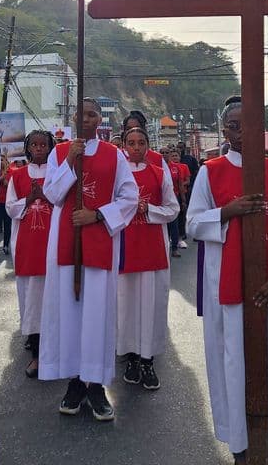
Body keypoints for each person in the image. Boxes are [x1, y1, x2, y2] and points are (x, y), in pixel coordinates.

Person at [187, 96, 268, 465]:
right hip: (228, 286)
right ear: (225, 130)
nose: (238, 132)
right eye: (232, 125)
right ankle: (240, 445)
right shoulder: (211, 171)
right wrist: (227, 211)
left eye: (245, 124)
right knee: (232, 364)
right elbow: (193, 224)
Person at [39, 98, 137, 422]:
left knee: (97, 316)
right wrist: (69, 160)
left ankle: (95, 385)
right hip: (66, 247)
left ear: (100, 120)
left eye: (92, 114)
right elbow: (52, 195)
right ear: (73, 117)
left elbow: (130, 197)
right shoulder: (58, 152)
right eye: (81, 113)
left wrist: (96, 214)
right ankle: (74, 382)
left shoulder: (114, 155)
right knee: (68, 315)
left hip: (99, 244)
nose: (86, 118)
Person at [117, 126, 179, 391]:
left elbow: (173, 209)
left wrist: (148, 208)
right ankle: (130, 357)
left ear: (148, 145)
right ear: (124, 146)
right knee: (126, 304)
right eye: (131, 143)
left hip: (152, 246)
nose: (136, 147)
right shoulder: (118, 175)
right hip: (124, 245)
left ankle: (147, 359)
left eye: (141, 142)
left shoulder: (158, 173)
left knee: (151, 304)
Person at [5, 130, 55, 379]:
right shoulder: (18, 176)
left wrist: (44, 195)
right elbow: (10, 207)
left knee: (53, 299)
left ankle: (55, 352)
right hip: (27, 245)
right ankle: (36, 353)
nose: (38, 149)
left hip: (53, 246)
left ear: (50, 147)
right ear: (27, 148)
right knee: (33, 301)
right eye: (34, 145)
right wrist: (29, 198)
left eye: (43, 145)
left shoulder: (57, 175)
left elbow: (64, 204)